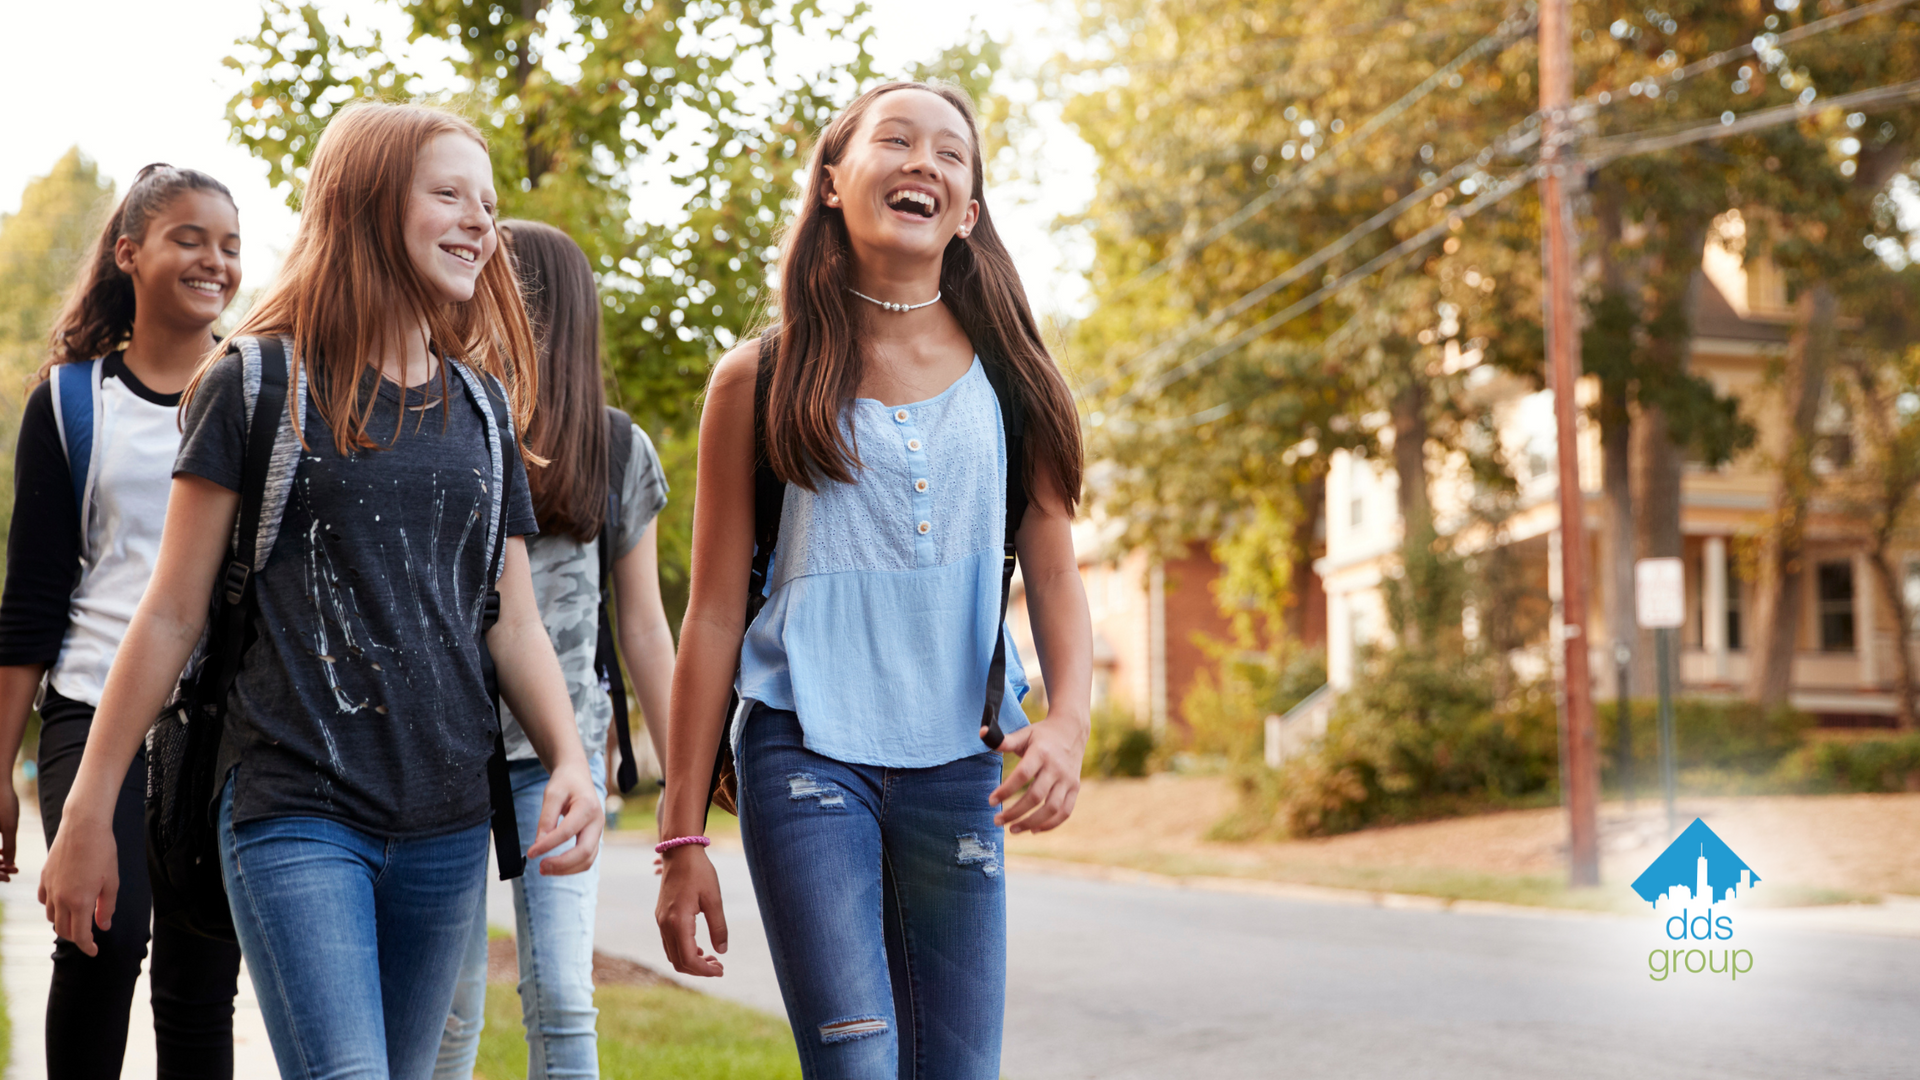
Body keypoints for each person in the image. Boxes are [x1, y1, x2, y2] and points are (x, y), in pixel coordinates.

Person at [37, 102, 604, 1080]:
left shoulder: (480, 406)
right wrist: (90, 807)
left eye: (489, 203)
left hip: (446, 822)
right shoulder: (256, 381)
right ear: (367, 203)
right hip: (292, 805)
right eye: (449, 195)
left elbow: (508, 615)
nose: (481, 222)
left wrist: (568, 761)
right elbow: (169, 612)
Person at [654, 80, 1094, 1080]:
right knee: (856, 1066)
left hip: (961, 770)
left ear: (969, 212)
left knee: (957, 1070)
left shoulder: (1018, 381)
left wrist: (1067, 721)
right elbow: (715, 614)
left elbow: (1057, 570)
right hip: (803, 753)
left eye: (950, 154)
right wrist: (682, 836)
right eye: (894, 140)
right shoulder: (757, 377)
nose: (923, 162)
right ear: (830, 183)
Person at [0, 162, 246, 1079]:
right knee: (101, 941)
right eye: (189, 238)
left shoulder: (260, 391)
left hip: (219, 729)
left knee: (199, 983)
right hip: (89, 705)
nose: (214, 261)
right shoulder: (69, 403)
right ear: (129, 252)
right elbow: (29, 603)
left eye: (229, 245)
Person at [434, 219, 674, 1079]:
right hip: (443, 759)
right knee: (451, 1009)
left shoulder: (618, 450)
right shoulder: (442, 424)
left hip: (555, 763)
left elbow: (645, 626)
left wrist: (685, 772)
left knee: (563, 997)